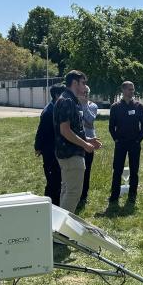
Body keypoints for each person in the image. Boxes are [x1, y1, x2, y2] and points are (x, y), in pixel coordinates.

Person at [53, 70, 102, 213]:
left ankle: (59, 226)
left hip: (69, 153)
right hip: (71, 154)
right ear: (74, 83)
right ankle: (63, 230)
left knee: (67, 190)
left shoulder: (69, 100)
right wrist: (85, 144)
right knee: (73, 193)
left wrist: (88, 139)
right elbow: (65, 130)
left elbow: (72, 130)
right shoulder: (67, 100)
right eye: (83, 83)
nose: (85, 87)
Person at [108, 81, 143, 204]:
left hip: (134, 143)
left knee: (134, 170)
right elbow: (111, 126)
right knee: (117, 169)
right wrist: (116, 139)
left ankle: (132, 195)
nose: (132, 92)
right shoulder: (115, 107)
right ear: (123, 90)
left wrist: (138, 140)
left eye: (133, 89)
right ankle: (114, 196)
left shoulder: (138, 106)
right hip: (120, 143)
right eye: (130, 89)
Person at [34, 83, 65, 206]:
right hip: (50, 151)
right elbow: (41, 131)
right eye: (64, 94)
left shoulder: (56, 107)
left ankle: (55, 203)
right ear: (57, 95)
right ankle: (50, 205)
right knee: (53, 180)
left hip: (56, 149)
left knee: (58, 179)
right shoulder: (49, 111)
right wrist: (38, 147)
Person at [78, 85, 99, 208]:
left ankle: (84, 195)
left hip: (90, 142)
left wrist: (85, 105)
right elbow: (76, 123)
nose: (84, 94)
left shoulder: (93, 106)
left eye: (86, 92)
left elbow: (90, 120)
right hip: (77, 141)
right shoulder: (74, 105)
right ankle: (76, 193)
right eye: (82, 92)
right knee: (77, 169)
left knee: (87, 169)